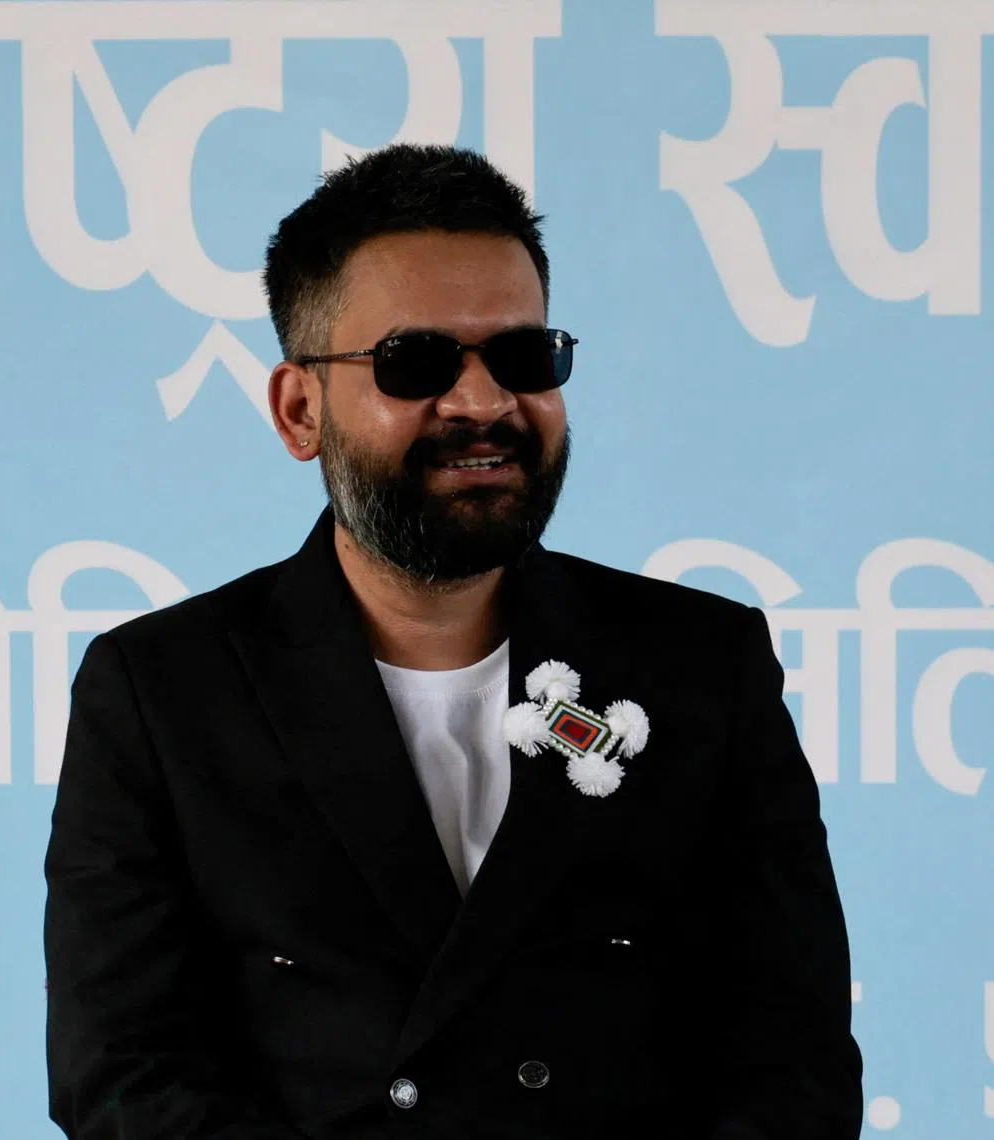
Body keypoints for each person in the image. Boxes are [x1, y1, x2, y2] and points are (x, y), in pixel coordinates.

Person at [43, 144, 863, 1140]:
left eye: (522, 357)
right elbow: (123, 1078)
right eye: (416, 361)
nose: (483, 403)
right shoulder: (162, 692)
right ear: (300, 410)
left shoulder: (702, 667)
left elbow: (793, 1066)